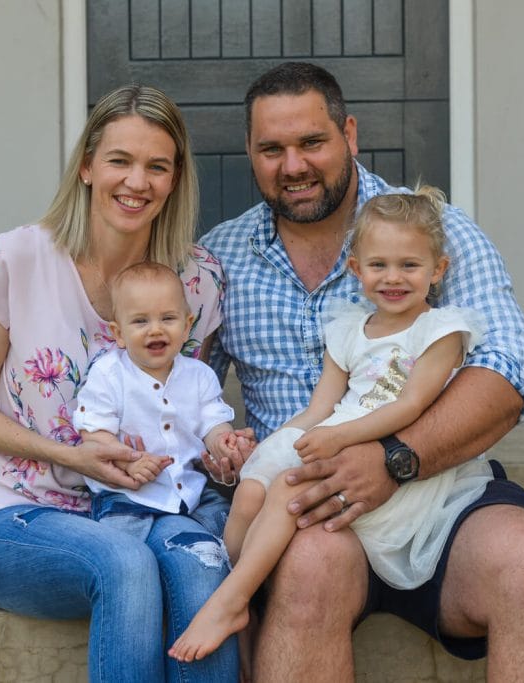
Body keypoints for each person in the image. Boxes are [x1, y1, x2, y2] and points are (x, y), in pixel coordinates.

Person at [199, 62, 524, 680]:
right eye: (271, 149)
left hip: (437, 486)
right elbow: (176, 380)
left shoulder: (433, 233)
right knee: (309, 569)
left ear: (349, 134)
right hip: (308, 510)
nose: (293, 166)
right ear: (249, 152)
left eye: (312, 142)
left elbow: (510, 374)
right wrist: (218, 441)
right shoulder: (219, 255)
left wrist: (394, 459)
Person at [0, 84, 247, 682]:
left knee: (202, 560)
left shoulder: (199, 281)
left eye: (156, 166)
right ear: (86, 166)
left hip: (151, 510)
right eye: (119, 160)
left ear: (174, 179)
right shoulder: (17, 259)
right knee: (126, 564)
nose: (137, 181)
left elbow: (187, 417)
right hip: (22, 514)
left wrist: (224, 452)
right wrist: (73, 457)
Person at [171, 186, 495, 663]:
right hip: (338, 430)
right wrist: (272, 445)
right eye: (379, 265)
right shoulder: (347, 328)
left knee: (288, 488)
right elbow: (320, 408)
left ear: (437, 270)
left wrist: (338, 439)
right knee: (253, 489)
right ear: (356, 269)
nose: (394, 278)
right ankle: (245, 599)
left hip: (387, 448)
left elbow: (410, 406)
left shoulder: (440, 331)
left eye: (410, 265)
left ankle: (228, 602)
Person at [73, 261, 252, 540]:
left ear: (186, 326)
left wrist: (224, 444)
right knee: (124, 548)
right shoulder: (109, 375)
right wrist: (127, 463)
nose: (155, 329)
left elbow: (213, 422)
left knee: (229, 529)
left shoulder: (199, 375)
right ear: (118, 333)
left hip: (191, 492)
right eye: (140, 321)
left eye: (168, 318)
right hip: (127, 495)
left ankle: (242, 576)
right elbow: (94, 435)